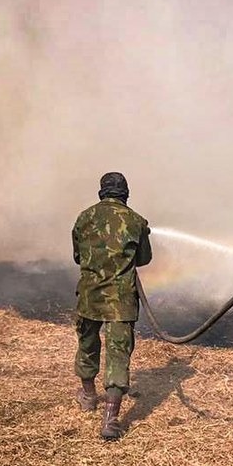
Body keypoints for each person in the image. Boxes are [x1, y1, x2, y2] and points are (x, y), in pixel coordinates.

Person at [72, 172, 152, 440]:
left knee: (87, 344)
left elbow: (77, 256)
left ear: (101, 192)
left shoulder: (84, 217)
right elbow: (144, 259)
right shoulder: (136, 221)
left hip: (90, 297)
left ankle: (88, 396)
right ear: (125, 194)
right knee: (118, 354)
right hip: (121, 301)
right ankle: (111, 420)